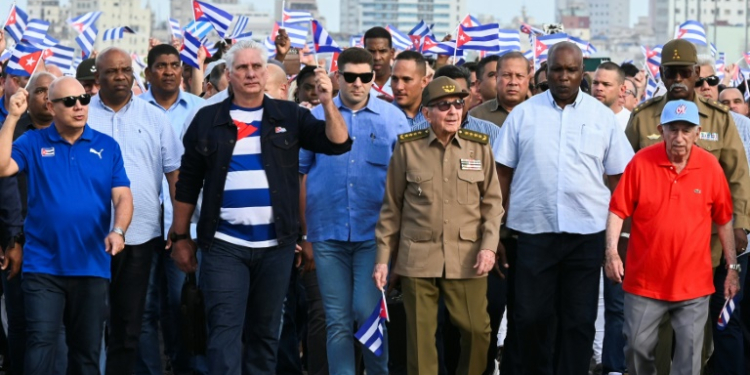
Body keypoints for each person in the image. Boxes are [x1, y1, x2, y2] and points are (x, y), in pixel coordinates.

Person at [171, 40, 351, 374]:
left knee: (265, 335)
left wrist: (327, 102)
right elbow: (188, 182)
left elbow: (338, 143)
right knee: (223, 333)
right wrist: (181, 236)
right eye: (242, 67)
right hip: (224, 245)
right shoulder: (207, 119)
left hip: (276, 247)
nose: (251, 73)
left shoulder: (291, 116)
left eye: (257, 67)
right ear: (229, 74)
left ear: (266, 71)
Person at [493, 42, 634, 375]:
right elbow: (502, 174)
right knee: (529, 317)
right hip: (531, 233)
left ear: (582, 73)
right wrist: (496, 231)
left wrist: (620, 236)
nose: (564, 77)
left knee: (579, 320)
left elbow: (619, 178)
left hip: (586, 235)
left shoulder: (602, 118)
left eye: (572, 70)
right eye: (558, 69)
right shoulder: (524, 114)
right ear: (546, 70)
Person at [625, 39, 750, 375]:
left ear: (697, 74)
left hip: (704, 246)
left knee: (699, 337)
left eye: (685, 72)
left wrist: (740, 226)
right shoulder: (643, 117)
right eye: (671, 72)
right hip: (652, 248)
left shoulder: (719, 119)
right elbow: (624, 178)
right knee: (651, 338)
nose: (678, 78)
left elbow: (737, 175)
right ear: (661, 75)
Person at [0, 76, 133, 375]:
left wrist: (119, 230)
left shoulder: (107, 146)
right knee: (41, 345)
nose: (79, 106)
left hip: (91, 266)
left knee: (86, 353)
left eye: (83, 99)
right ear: (51, 106)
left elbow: (123, 197)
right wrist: (12, 117)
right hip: (42, 266)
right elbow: (1, 165)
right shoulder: (33, 141)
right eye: (69, 101)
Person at [373, 76, 504, 375]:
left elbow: (493, 204)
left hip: (467, 257)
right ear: (427, 112)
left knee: (478, 332)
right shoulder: (408, 149)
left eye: (458, 104)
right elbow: (392, 209)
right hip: (418, 257)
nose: (453, 111)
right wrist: (383, 260)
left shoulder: (478, 148)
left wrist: (488, 247)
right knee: (420, 342)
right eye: (443, 106)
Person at [605, 99, 740, 375]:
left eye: (686, 130)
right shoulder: (641, 162)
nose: (679, 137)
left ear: (698, 132)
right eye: (673, 129)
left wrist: (733, 268)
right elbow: (618, 210)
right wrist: (611, 253)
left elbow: (724, 220)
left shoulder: (711, 166)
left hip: (694, 284)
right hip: (644, 282)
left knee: (690, 358)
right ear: (660, 130)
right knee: (635, 349)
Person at [300, 47, 409, 375]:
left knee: (367, 312)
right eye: (350, 76)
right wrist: (305, 233)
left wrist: (400, 238)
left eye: (366, 77)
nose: (358, 83)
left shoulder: (393, 119)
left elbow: (406, 182)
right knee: (336, 320)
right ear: (338, 77)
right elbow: (301, 175)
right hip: (327, 232)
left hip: (374, 236)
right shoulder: (316, 117)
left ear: (374, 79)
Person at [87, 47, 183, 375]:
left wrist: (179, 223)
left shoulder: (154, 118)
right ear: (97, 77)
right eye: (112, 71)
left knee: (133, 321)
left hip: (141, 236)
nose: (120, 76)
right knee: (89, 320)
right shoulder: (83, 116)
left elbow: (174, 175)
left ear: (134, 73)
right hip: (89, 237)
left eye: (125, 69)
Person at [136, 44, 206, 375]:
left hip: (186, 229)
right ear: (148, 72)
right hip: (143, 228)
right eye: (161, 65)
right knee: (144, 310)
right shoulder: (133, 111)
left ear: (183, 71)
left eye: (174, 65)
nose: (168, 71)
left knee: (186, 306)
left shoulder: (200, 110)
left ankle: (186, 368)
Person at [694, 54, 750, 375]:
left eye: (712, 81)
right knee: (686, 325)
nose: (706, 87)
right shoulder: (678, 119)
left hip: (733, 245)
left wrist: (742, 226)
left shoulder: (739, 125)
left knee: (726, 319)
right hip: (690, 245)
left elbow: (744, 182)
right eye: (699, 81)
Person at [470, 51, 530, 128]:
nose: (513, 82)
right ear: (496, 78)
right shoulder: (476, 116)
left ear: (528, 80)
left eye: (519, 76)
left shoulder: (542, 113)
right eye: (506, 75)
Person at [391, 51, 429, 126]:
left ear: (424, 82)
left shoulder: (438, 118)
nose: (399, 87)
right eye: (394, 79)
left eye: (406, 80)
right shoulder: (379, 117)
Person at [593, 62, 630, 131]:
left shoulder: (630, 122)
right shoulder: (580, 118)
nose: (599, 88)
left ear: (622, 90)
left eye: (606, 84)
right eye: (595, 83)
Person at [364, 27, 394, 100]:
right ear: (364, 53)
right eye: (371, 51)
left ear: (392, 53)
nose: (377, 57)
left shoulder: (404, 84)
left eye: (382, 51)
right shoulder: (355, 83)